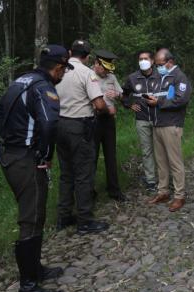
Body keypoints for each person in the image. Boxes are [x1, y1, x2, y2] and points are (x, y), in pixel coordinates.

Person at [0, 45, 70, 292]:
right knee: (32, 216)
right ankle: (28, 288)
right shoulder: (43, 87)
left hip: (10, 155)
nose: (63, 75)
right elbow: (49, 123)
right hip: (26, 159)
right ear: (57, 67)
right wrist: (44, 155)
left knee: (34, 212)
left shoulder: (21, 80)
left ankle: (35, 268)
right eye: (63, 70)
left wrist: (9, 137)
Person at [55, 40, 109, 234]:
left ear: (70, 52)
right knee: (84, 173)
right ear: (87, 56)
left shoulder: (59, 70)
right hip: (79, 126)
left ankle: (64, 216)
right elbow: (100, 104)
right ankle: (85, 220)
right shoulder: (87, 73)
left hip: (59, 125)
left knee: (66, 173)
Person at [146, 48, 192, 212]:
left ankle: (179, 195)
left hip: (171, 125)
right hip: (157, 124)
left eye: (160, 64)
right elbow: (159, 97)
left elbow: (181, 100)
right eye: (157, 64)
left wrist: (158, 102)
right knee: (161, 162)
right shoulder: (159, 77)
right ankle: (163, 191)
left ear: (170, 62)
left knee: (175, 162)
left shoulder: (180, 77)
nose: (158, 67)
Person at [121, 51, 161, 192]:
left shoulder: (160, 76)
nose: (142, 61)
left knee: (161, 151)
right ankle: (151, 181)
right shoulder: (132, 78)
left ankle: (164, 179)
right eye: (140, 59)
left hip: (159, 119)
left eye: (145, 59)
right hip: (142, 120)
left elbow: (170, 95)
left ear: (152, 61)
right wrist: (129, 105)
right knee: (146, 151)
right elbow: (124, 94)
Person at [92, 49, 126, 201]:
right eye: (104, 68)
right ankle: (89, 191)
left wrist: (117, 95)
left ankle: (114, 190)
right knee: (91, 157)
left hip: (108, 121)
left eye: (108, 69)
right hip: (93, 120)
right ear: (96, 63)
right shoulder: (87, 76)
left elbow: (122, 94)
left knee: (110, 155)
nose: (106, 72)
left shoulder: (111, 77)